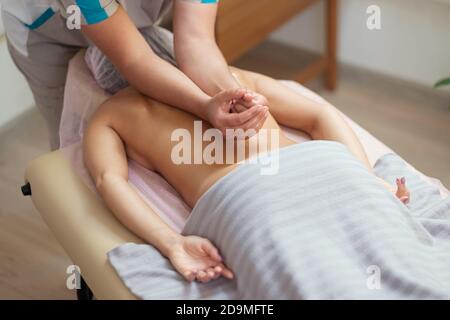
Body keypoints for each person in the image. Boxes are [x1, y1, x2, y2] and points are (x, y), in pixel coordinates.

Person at [83, 66, 411, 284]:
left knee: (314, 282)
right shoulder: (229, 78)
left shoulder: (113, 113)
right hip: (320, 167)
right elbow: (319, 114)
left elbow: (109, 181)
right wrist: (364, 178)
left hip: (248, 198)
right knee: (402, 262)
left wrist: (172, 243)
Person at [1, 0, 267, 150]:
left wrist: (229, 95)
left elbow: (197, 41)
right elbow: (135, 60)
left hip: (123, 16)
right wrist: (202, 105)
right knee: (71, 141)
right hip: (47, 32)